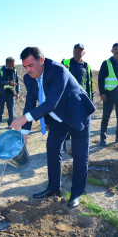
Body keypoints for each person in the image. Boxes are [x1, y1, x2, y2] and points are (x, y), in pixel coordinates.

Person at [10, 47, 95, 208]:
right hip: (56, 118)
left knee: (79, 155)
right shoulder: (29, 78)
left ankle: (76, 193)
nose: (28, 70)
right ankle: (54, 188)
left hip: (76, 113)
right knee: (53, 150)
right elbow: (30, 103)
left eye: (31, 65)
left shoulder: (58, 70)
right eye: (25, 66)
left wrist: (23, 119)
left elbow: (50, 103)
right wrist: (25, 131)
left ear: (41, 60)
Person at [0, 57, 19, 130]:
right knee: (0, 110)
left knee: (11, 110)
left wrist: (17, 93)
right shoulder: (0, 70)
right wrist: (8, 83)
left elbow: (17, 82)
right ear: (7, 63)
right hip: (1, 93)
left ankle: (10, 124)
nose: (14, 64)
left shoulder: (14, 70)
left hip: (11, 94)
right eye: (12, 63)